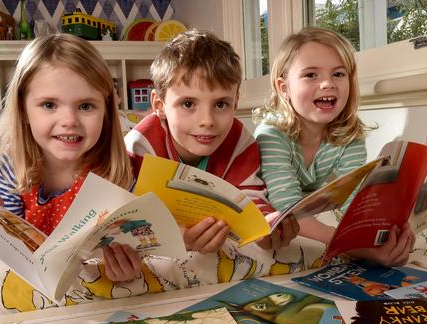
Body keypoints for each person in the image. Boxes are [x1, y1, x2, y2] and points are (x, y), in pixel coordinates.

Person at [124, 29, 300, 285]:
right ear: (159, 105)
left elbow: (251, 200)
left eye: (220, 104)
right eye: (188, 104)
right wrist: (179, 236)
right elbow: (128, 219)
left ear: (236, 102)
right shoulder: (140, 146)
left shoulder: (241, 140)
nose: (206, 121)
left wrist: (265, 228)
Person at [0, 33, 141, 282]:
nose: (69, 121)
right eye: (49, 105)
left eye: (86, 106)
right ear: (23, 109)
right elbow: (15, 255)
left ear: (106, 112)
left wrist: (128, 266)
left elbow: (128, 245)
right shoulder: (8, 169)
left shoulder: (120, 172)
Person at [254, 27, 413, 267]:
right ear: (284, 88)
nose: (327, 84)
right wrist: (354, 247)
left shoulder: (350, 136)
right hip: (281, 217)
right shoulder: (271, 134)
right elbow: (287, 208)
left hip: (318, 214)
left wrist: (382, 228)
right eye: (311, 75)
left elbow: (355, 203)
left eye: (338, 74)